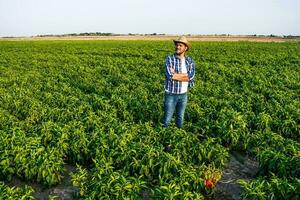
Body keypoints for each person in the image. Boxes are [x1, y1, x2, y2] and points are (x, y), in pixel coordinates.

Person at [163, 36, 195, 128]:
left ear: (186, 48)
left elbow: (191, 77)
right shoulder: (169, 59)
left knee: (180, 118)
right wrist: (184, 75)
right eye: (177, 45)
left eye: (180, 45)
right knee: (167, 119)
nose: (177, 47)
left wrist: (176, 75)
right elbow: (169, 75)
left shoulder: (190, 61)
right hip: (171, 94)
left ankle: (179, 133)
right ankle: (163, 138)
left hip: (183, 94)